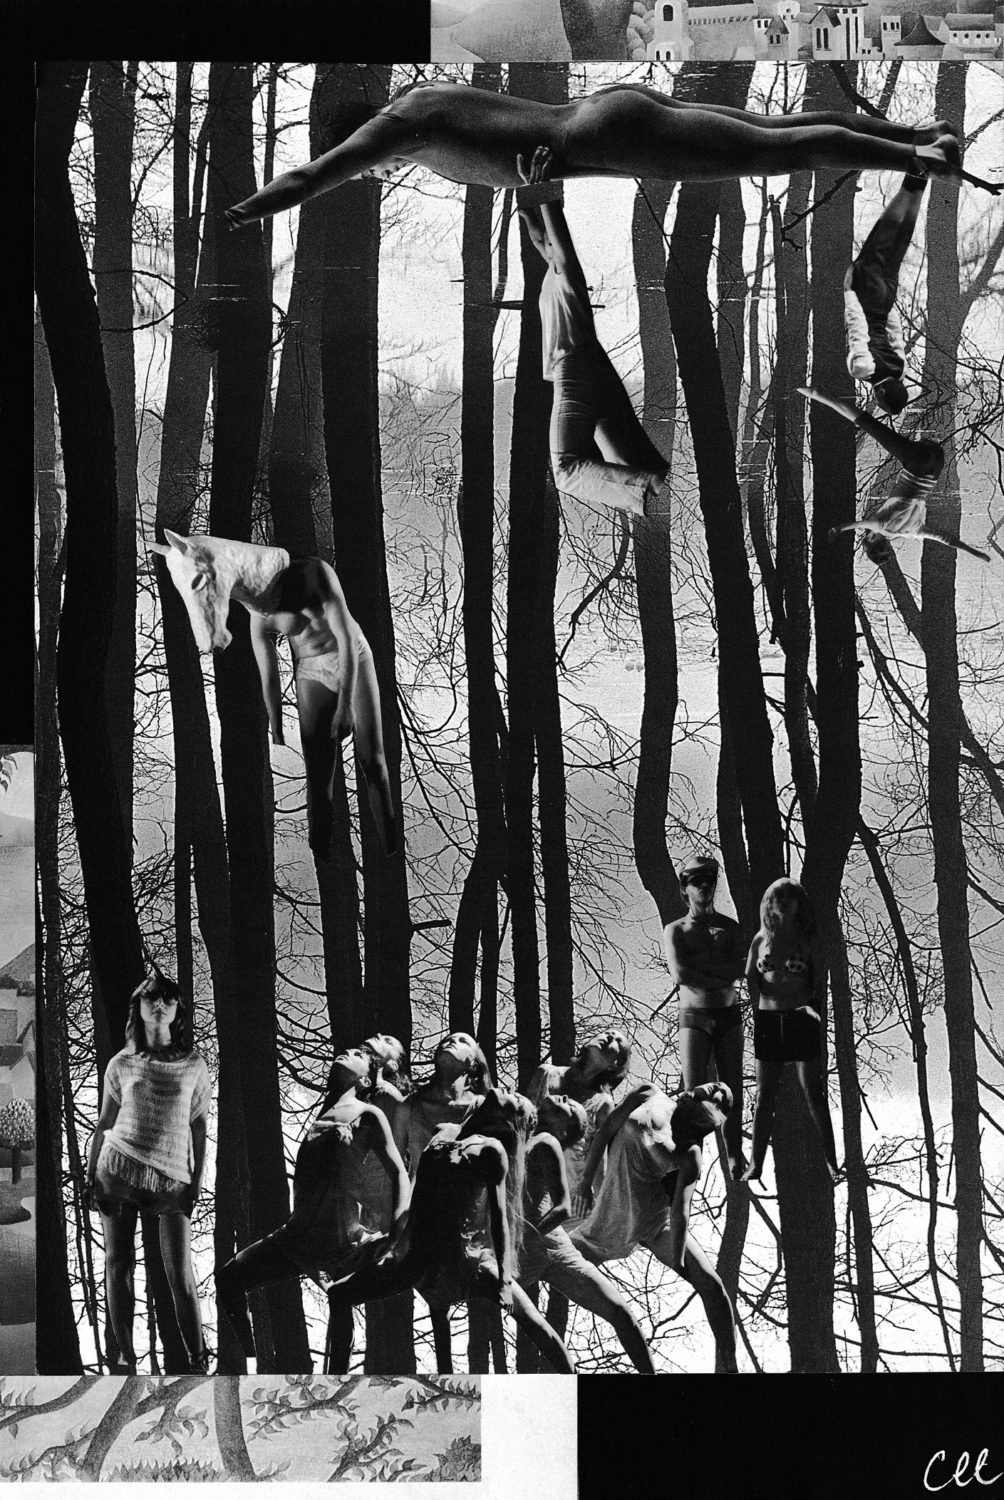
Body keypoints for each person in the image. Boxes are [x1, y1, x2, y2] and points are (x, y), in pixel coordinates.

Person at [225, 80, 963, 230]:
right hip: (610, 109)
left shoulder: (397, 127)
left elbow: (310, 177)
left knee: (781, 152)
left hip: (611, 137)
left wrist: (244, 211)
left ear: (362, 137)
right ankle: (919, 134)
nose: (381, 172)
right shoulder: (426, 100)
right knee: (779, 127)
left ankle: (922, 156)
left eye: (372, 165)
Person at [150, 531, 398, 859]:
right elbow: (268, 673)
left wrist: (346, 705)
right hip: (312, 669)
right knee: (319, 773)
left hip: (353, 655)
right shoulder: (259, 614)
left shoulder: (314, 573)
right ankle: (322, 851)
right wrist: (276, 721)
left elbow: (346, 638)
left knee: (373, 760)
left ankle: (391, 846)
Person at [323, 1089, 575, 1374]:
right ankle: (336, 1381)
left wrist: (504, 1281)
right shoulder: (443, 1131)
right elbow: (418, 1197)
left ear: (509, 1121)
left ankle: (573, 1383)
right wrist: (392, 1242)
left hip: (467, 1261)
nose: (510, 1091)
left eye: (517, 1100)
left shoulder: (491, 1150)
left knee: (537, 1326)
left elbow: (500, 1219)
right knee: (339, 1294)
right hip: (419, 1259)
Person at [214, 1047, 410, 1373]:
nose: (347, 1052)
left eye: (357, 1054)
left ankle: (336, 1383)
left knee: (340, 1303)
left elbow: (399, 1172)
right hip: (297, 1236)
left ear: (365, 1079)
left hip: (339, 1238)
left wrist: (396, 1230)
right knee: (228, 1279)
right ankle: (248, 1361)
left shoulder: (368, 1114)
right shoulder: (322, 1113)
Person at [517, 145, 669, 518]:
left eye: (551, 243)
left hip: (575, 368)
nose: (547, 244)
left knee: (567, 470)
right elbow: (540, 237)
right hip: (584, 368)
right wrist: (528, 197)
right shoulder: (553, 274)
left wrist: (545, 195)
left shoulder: (567, 274)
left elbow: (556, 238)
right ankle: (650, 481)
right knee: (621, 461)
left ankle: (646, 483)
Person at [83, 969, 212, 1375]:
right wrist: (90, 1175)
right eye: (151, 997)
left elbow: (199, 1127)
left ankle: (198, 1361)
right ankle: (124, 1361)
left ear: (178, 1010)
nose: (159, 1004)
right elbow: (105, 1123)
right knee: (118, 1264)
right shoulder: (121, 1063)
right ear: (137, 1007)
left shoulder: (194, 1064)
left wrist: (196, 1182)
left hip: (172, 1180)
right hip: (117, 1171)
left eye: (168, 998)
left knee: (179, 1274)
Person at [570, 1081, 738, 1373]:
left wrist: (679, 1259)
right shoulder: (649, 1093)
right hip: (609, 1210)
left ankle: (731, 1366)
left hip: (654, 1222)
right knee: (544, 1263)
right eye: (718, 1085)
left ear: (714, 1117)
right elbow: (605, 1131)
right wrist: (585, 1182)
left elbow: (681, 1208)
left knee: (712, 1285)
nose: (719, 1089)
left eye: (724, 1099)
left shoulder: (690, 1152)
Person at [517, 1094, 657, 1373]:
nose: (566, 1097)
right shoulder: (520, 1136)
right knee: (533, 1325)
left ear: (563, 1131)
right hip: (525, 1250)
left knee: (618, 1310)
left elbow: (563, 1208)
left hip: (550, 1245)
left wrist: (525, 1237)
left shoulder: (546, 1141)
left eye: (570, 1108)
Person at [798, 389, 990, 562]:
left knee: (897, 437)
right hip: (917, 463)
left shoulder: (913, 531)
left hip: (936, 463)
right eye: (868, 537)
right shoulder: (879, 526)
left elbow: (946, 539)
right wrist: (836, 529)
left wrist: (974, 552)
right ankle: (813, 393)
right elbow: (854, 525)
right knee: (865, 422)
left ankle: (925, 440)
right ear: (872, 538)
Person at [740, 879, 842, 1186]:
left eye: (790, 897)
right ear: (769, 903)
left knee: (814, 1091)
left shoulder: (808, 940)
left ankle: (831, 1162)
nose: (783, 901)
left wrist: (812, 1010)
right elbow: (750, 977)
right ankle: (756, 1163)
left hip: (801, 1020)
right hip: (769, 1022)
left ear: (799, 904)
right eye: (778, 896)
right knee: (764, 1095)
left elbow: (818, 979)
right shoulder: (760, 939)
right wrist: (760, 1004)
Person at [663, 855, 747, 1180]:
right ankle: (689, 1159)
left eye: (710, 881)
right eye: (697, 881)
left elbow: (741, 967)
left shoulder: (730, 927)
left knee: (732, 1089)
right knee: (693, 1095)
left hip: (729, 1016)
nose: (705, 887)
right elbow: (682, 974)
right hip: (694, 1017)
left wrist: (706, 972)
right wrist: (721, 974)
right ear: (685, 888)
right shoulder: (676, 930)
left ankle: (735, 1155)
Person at [526, 1028, 630, 1224]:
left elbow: (599, 1156)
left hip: (573, 1198)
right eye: (607, 1032)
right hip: (531, 1182)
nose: (609, 1037)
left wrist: (600, 1202)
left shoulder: (603, 1103)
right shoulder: (546, 1073)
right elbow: (522, 1122)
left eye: (618, 1041)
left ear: (615, 1064)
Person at [844, 172, 928, 416]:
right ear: (880, 393)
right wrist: (850, 291)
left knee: (900, 241)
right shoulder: (861, 370)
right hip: (865, 298)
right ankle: (910, 183)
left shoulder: (899, 369)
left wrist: (888, 303)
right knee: (881, 236)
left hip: (885, 300)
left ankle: (919, 183)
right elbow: (857, 331)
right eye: (879, 400)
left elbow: (895, 333)